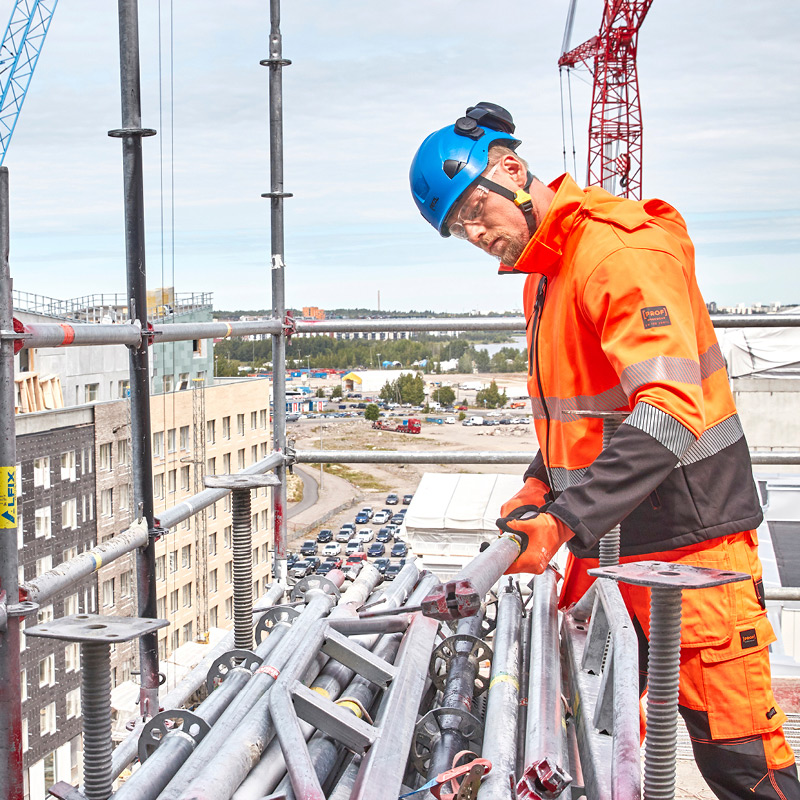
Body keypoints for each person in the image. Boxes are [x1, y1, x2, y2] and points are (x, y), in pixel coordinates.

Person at [409, 102, 800, 799]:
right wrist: (540, 485)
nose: (475, 235)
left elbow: (671, 410)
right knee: (592, 747)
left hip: (691, 545)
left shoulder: (618, 251)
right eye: (458, 228)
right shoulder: (545, 272)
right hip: (609, 542)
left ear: (510, 169)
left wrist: (560, 519)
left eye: (475, 210)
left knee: (742, 763)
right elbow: (584, 409)